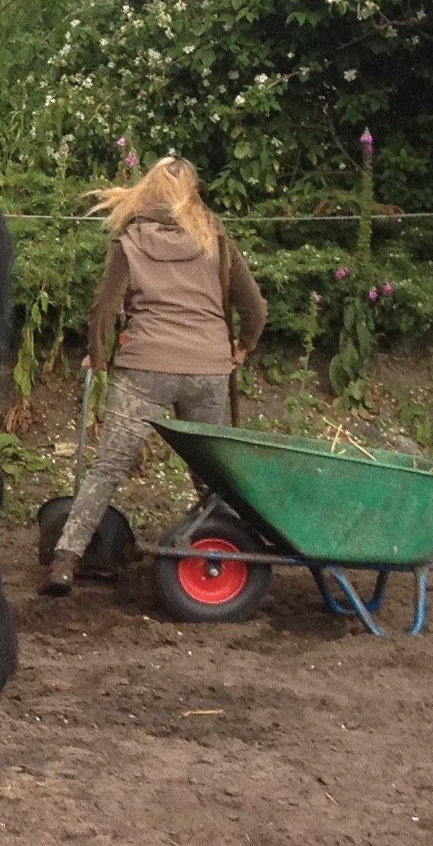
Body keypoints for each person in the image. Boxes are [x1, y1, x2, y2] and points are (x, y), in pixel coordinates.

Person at [44, 156, 267, 596]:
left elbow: (105, 308)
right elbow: (254, 306)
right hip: (207, 368)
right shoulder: (215, 238)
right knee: (212, 473)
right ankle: (221, 552)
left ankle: (65, 561)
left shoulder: (131, 239)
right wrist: (243, 346)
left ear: (148, 189)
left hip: (145, 367)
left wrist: (98, 357)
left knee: (108, 468)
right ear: (192, 191)